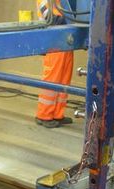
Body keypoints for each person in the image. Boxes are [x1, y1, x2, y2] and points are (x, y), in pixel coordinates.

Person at [34, 0, 74, 128]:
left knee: (64, 79)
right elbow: (50, 17)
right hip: (54, 41)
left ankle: (57, 114)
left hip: (66, 40)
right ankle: (44, 115)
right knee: (52, 78)